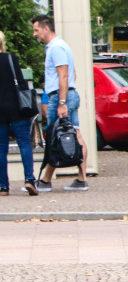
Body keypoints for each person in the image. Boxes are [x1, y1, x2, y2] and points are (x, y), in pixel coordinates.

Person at [30, 14, 87, 192]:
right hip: (68, 94)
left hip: (60, 96)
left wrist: (62, 101)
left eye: (36, 30)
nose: (35, 34)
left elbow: (64, 75)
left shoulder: (56, 48)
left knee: (54, 136)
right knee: (75, 134)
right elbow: (73, 74)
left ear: (46, 28)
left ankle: (46, 181)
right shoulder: (62, 46)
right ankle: (81, 179)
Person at [0, 31, 38, 196]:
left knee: (1, 148)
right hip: (17, 108)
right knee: (24, 144)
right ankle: (29, 179)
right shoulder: (10, 58)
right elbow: (21, 83)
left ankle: (3, 187)